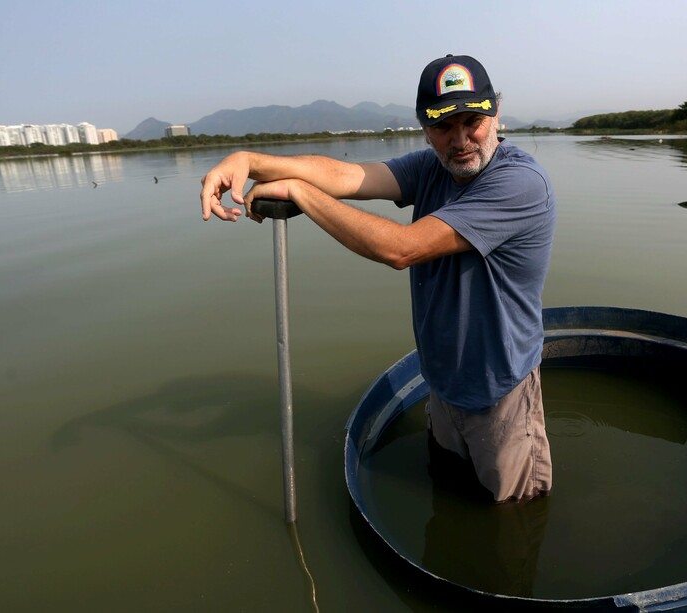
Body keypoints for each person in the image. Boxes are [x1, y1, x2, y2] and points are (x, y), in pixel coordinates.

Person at [200, 54, 556, 503]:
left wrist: (297, 192)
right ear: (426, 129)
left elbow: (402, 248)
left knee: (514, 516)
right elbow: (347, 175)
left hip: (500, 391)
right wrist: (248, 161)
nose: (461, 139)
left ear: (496, 115)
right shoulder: (433, 167)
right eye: (444, 127)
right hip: (442, 381)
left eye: (473, 121)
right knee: (447, 489)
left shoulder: (519, 184)